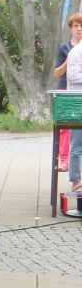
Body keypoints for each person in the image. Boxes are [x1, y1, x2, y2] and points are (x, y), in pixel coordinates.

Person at [52, 12, 82, 171]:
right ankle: (64, 160)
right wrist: (68, 61)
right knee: (65, 127)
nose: (79, 29)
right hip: (66, 91)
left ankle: (76, 160)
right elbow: (56, 73)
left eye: (81, 26)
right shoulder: (65, 48)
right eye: (75, 26)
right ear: (71, 28)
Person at [65, 32, 82, 193]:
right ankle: (76, 180)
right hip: (78, 103)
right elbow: (73, 76)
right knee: (77, 143)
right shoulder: (77, 52)